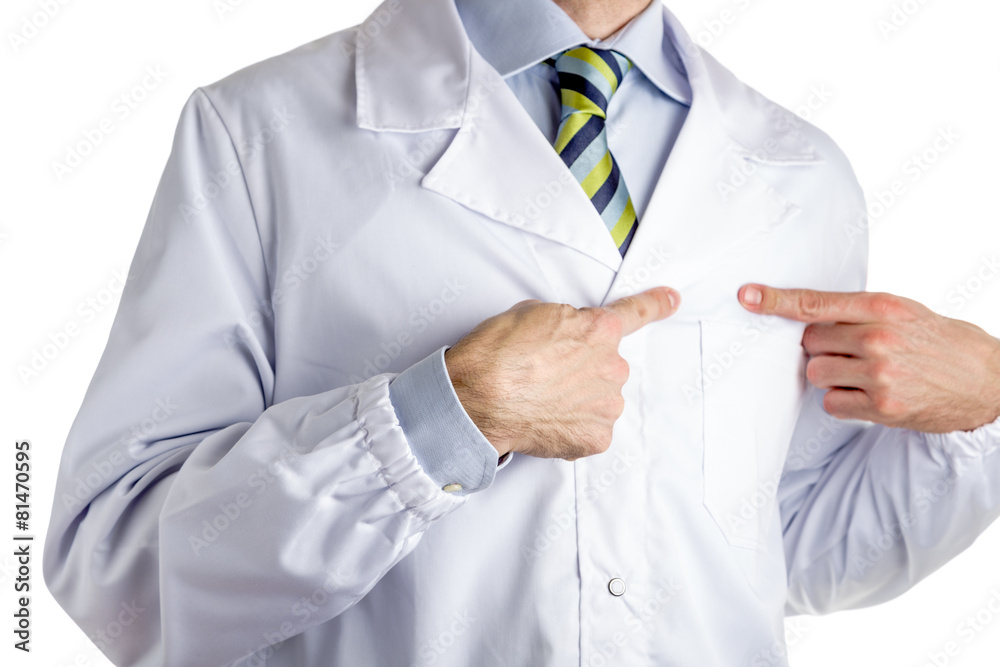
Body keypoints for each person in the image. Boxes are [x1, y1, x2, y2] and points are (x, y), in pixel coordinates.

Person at [43, 0, 1000, 665]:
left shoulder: (802, 176)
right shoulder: (261, 134)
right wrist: (442, 421)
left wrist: (984, 412)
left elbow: (781, 552)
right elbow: (119, 574)